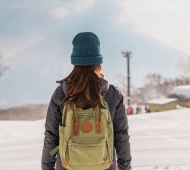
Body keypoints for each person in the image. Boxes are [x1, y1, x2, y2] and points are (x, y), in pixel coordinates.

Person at [42, 32, 132, 170]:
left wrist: (47, 167)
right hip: (105, 166)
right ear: (98, 61)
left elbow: (51, 136)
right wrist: (125, 168)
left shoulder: (62, 93)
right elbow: (122, 137)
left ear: (74, 60)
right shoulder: (112, 94)